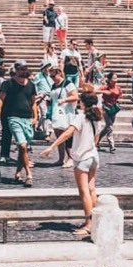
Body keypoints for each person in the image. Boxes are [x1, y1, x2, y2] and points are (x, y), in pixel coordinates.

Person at [41, 91, 103, 238]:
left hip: (82, 158)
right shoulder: (97, 118)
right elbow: (96, 140)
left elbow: (68, 133)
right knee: (92, 190)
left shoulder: (81, 117)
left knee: (84, 192)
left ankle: (89, 225)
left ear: (82, 103)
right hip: (94, 156)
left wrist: (52, 147)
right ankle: (95, 221)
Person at [0, 60, 38, 187]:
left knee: (22, 148)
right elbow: (1, 98)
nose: (24, 71)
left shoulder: (31, 85)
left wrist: (35, 116)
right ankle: (29, 175)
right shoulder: (8, 84)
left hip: (27, 118)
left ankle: (18, 173)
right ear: (17, 70)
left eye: (26, 68)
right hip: (13, 117)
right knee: (23, 146)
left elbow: (33, 101)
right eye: (22, 69)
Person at [49, 67, 79, 167]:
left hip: (67, 112)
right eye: (50, 76)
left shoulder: (68, 83)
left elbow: (75, 96)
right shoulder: (53, 85)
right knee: (58, 134)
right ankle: (61, 158)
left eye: (53, 76)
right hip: (56, 112)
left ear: (59, 73)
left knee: (67, 135)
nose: (52, 78)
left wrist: (64, 100)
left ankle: (70, 158)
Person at [96, 72, 122, 153]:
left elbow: (120, 96)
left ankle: (96, 141)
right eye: (114, 78)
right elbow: (94, 90)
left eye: (116, 78)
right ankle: (112, 146)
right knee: (110, 127)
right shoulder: (105, 87)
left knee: (107, 127)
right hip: (106, 108)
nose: (115, 80)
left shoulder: (118, 88)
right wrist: (104, 92)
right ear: (110, 80)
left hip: (113, 109)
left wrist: (119, 100)